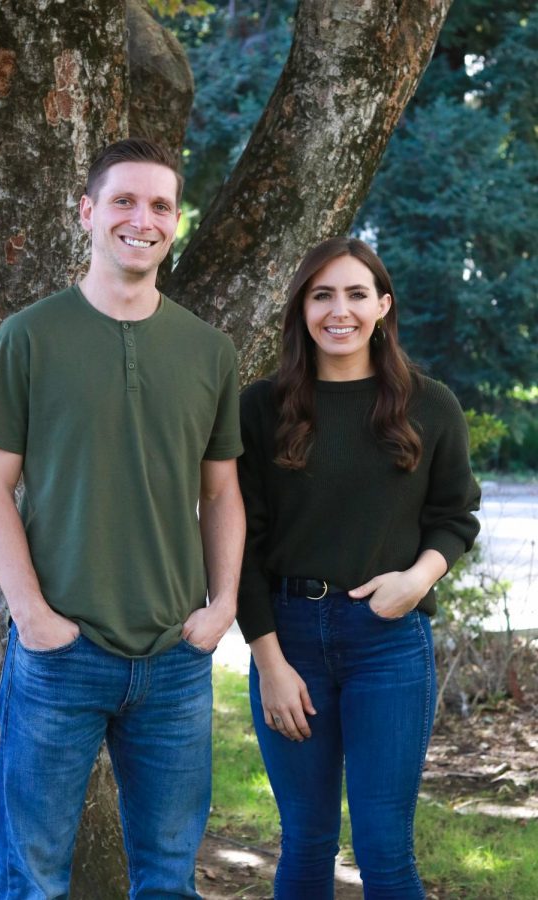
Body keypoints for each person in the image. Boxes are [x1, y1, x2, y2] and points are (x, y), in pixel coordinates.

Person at [0, 138, 245, 899]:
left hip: (177, 661)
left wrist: (221, 608)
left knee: (167, 882)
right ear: (88, 213)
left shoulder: (209, 351)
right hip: (62, 655)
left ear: (176, 221)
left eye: (160, 204)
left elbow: (221, 493)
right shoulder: (29, 337)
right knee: (33, 880)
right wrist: (32, 616)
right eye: (123, 199)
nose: (142, 218)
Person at [237, 237, 480, 899]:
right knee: (307, 843)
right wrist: (269, 663)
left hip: (389, 645)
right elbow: (238, 544)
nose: (338, 310)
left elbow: (456, 516)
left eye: (354, 294)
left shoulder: (430, 406)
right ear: (302, 309)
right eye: (322, 295)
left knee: (384, 850)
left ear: (383, 305)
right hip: (288, 642)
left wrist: (417, 579)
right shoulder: (261, 408)